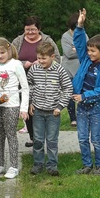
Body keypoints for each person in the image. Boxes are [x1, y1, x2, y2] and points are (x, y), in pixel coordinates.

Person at [71, 8, 100, 175]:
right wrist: (80, 26)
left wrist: (84, 96)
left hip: (95, 108)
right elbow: (79, 44)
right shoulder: (86, 60)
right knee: (82, 138)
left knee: (96, 139)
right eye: (88, 50)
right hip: (82, 107)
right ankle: (87, 165)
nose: (89, 53)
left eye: (93, 51)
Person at [12, 16, 60, 147]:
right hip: (22, 80)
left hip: (43, 79)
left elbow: (57, 59)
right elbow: (10, 59)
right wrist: (23, 63)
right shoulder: (17, 41)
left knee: (41, 108)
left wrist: (41, 63)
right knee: (27, 107)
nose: (30, 32)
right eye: (27, 29)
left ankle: (46, 137)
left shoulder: (47, 40)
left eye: (33, 29)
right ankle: (33, 137)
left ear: (39, 29)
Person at [0, 38, 29, 179]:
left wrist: (24, 108)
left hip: (12, 105)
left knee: (11, 135)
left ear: (9, 50)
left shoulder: (16, 64)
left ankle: (14, 166)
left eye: (2, 52)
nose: (0, 56)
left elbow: (25, 87)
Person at [27, 42, 73, 176]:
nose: (41, 61)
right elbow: (29, 86)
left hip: (53, 112)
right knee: (38, 139)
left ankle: (52, 165)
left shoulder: (59, 70)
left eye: (44, 58)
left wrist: (60, 106)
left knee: (52, 140)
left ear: (52, 57)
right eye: (38, 58)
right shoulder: (34, 69)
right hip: (37, 111)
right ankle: (38, 164)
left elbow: (68, 88)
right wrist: (30, 102)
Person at [61, 13, 80, 126]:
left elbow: (87, 51)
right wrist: (79, 49)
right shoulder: (65, 36)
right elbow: (68, 53)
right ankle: (73, 118)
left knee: (80, 93)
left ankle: (81, 116)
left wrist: (75, 49)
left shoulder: (84, 35)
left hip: (80, 69)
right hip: (68, 69)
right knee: (70, 93)